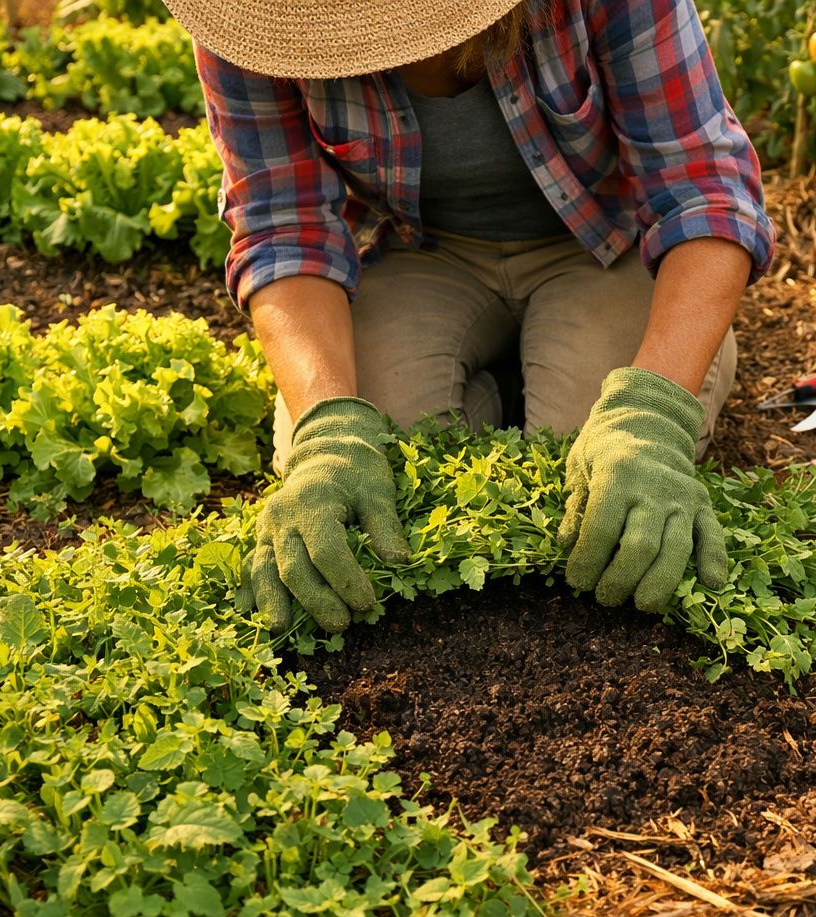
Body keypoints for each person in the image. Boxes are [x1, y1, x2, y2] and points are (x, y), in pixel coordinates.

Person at [164, 0, 775, 634]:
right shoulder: (257, 25)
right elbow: (283, 229)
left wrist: (653, 411)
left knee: (600, 496)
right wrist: (328, 430)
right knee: (377, 492)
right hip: (431, 253)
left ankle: (636, 356)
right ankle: (520, 375)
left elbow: (704, 190)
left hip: (608, 250)